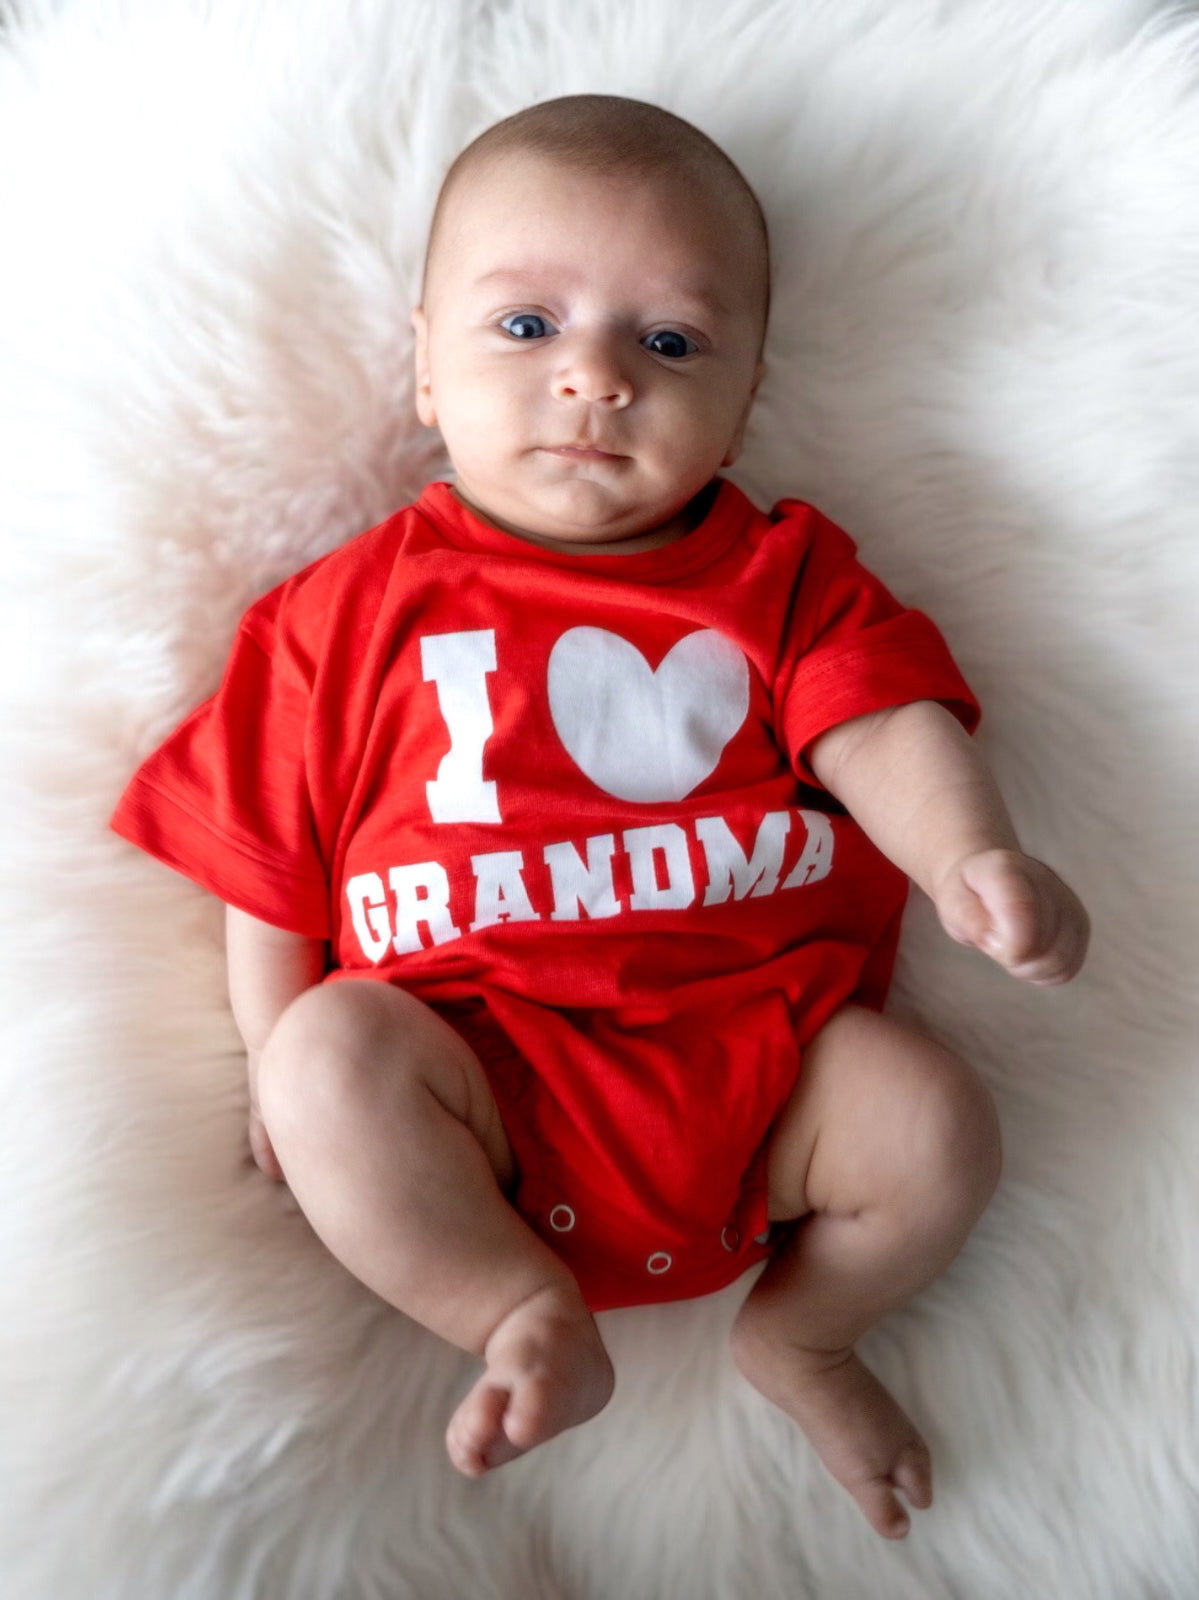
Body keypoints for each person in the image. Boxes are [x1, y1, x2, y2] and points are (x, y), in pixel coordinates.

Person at [111, 94, 1089, 1541]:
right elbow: (271, 865)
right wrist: (275, 1062)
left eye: (670, 342)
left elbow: (882, 722)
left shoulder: (783, 577)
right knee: (327, 1053)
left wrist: (974, 857)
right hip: (477, 1083)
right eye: (525, 330)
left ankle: (804, 1332)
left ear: (748, 392)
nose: (595, 380)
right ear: (426, 368)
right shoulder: (340, 615)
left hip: (765, 1083)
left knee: (937, 1125)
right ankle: (517, 1308)